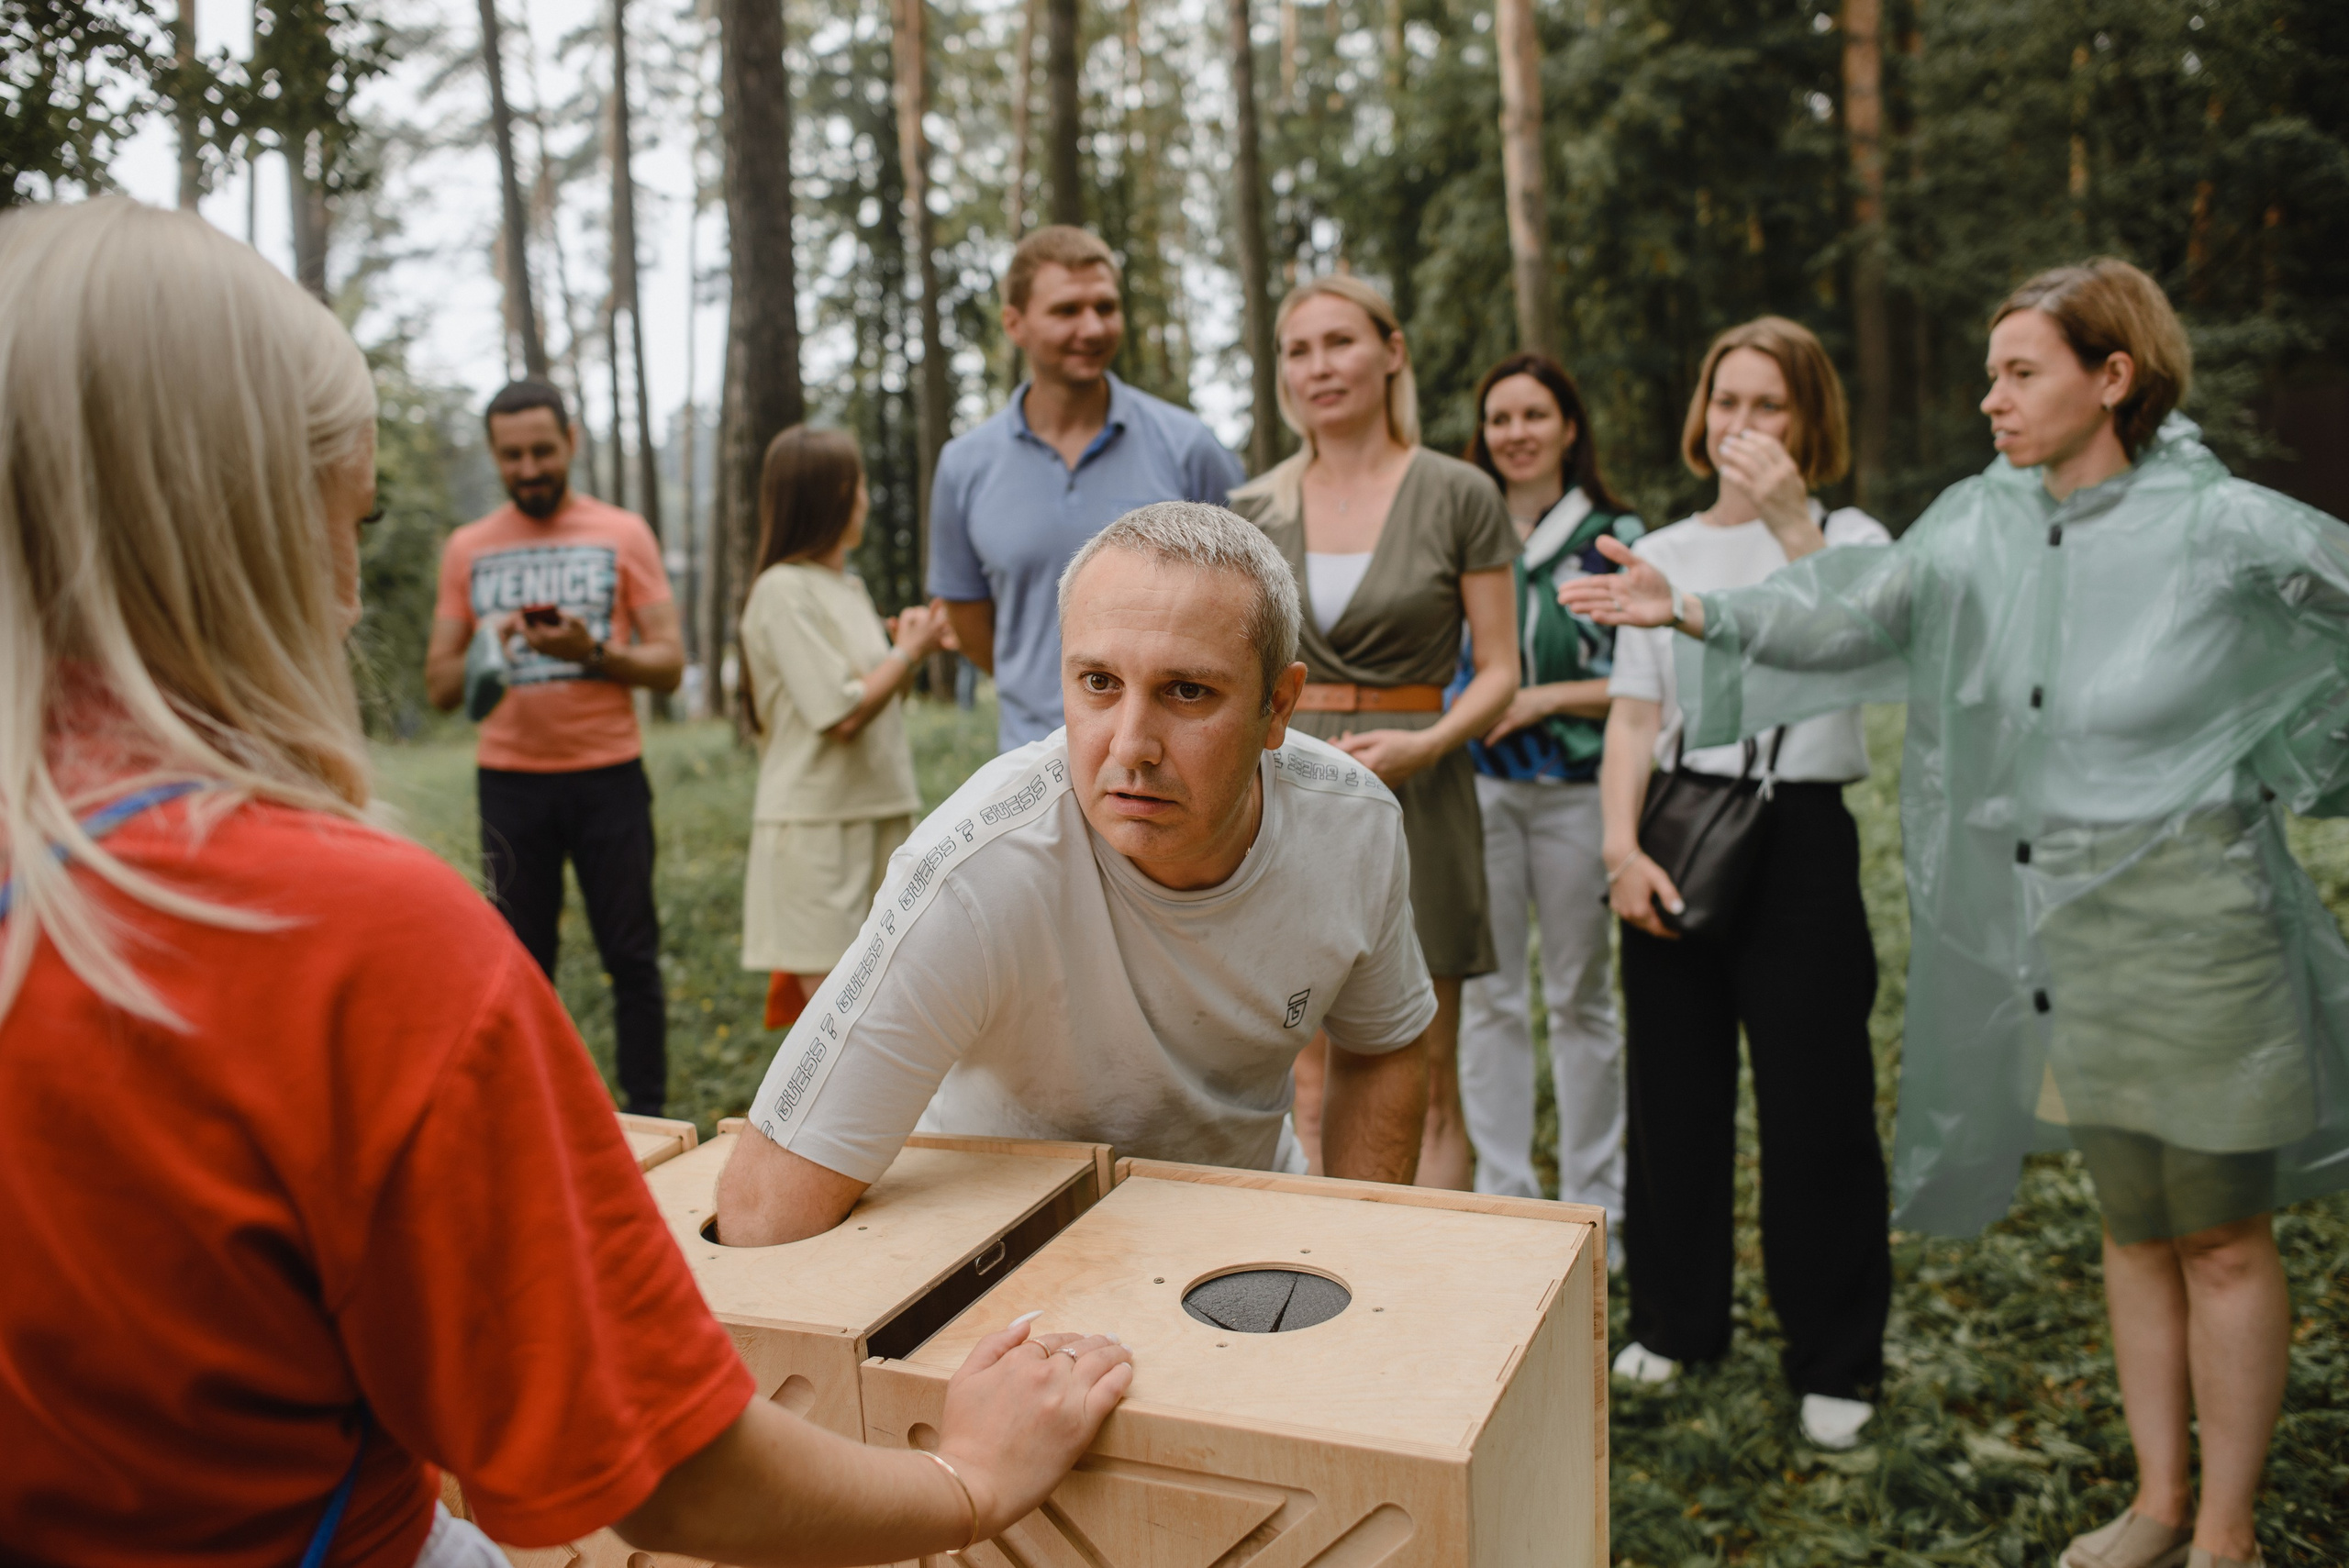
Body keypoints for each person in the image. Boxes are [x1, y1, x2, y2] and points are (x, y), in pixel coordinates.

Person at [0, 197, 1130, 1568]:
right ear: (246, 527)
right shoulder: (342, 941)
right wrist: (964, 1480)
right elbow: (674, 1472)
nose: (351, 591)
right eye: (348, 519)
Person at [1572, 259, 2349, 1568]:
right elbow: (1857, 616)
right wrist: (1692, 603)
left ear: (2114, 378)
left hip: (2201, 921)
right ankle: (2159, 1502)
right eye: (1991, 372)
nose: (1990, 397)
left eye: (2019, 371)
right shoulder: (1983, 523)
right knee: (2131, 1218)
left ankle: (2227, 1534)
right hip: (2070, 929)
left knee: (2216, 1231)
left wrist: (2279, 738)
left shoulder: (2220, 526)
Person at [716, 503, 1440, 1247]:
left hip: (1240, 1248)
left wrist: (1352, 1247)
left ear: (1278, 704)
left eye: (1187, 691)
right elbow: (764, 1209)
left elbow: (1382, 1046)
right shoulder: (972, 874)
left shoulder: (1353, 826)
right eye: (1098, 682)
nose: (1131, 746)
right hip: (1002, 1260)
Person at [1579, 317, 1893, 1452]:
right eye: (1727, 402)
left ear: (1809, 421)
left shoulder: (1844, 534)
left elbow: (1864, 629)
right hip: (1676, 819)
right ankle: (1675, 1317)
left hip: (1800, 832)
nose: (1741, 426)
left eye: (1768, 405)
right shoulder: (1659, 544)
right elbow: (1633, 714)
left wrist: (1791, 517)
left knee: (1817, 1103)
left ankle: (1836, 1356)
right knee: (1672, 1092)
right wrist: (1620, 847)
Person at [1228, 275, 1520, 1192]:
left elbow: (1504, 667)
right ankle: (1322, 1279)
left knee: (1423, 1072)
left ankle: (1428, 1305)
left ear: (1391, 351)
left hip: (1420, 791)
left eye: (1339, 342)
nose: (1319, 366)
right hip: (1289, 787)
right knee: (1304, 1068)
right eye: (1297, 349)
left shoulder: (1460, 491)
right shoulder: (1253, 508)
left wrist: (1428, 744)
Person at [423, 378, 680, 1116]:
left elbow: (668, 661)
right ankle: (527, 1118)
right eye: (512, 455)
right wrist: (488, 645)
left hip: (610, 779)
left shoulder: (623, 533)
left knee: (631, 959)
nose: (529, 467)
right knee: (515, 967)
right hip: (510, 786)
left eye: (542, 450)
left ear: (570, 442)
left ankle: (649, 1115)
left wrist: (593, 652)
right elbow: (440, 686)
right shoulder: (467, 548)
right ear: (494, 455)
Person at [928, 226, 1247, 752]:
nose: (1093, 327)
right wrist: (1042, 682)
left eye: (1106, 307)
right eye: (1067, 311)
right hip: (1030, 764)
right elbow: (969, 618)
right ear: (1015, 324)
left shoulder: (1189, 447)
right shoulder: (964, 465)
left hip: (1172, 759)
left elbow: (1247, 598)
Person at [1450, 352, 1642, 1221]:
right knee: (1490, 999)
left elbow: (1645, 674)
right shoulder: (1463, 531)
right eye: (1500, 419)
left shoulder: (1611, 533)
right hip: (1477, 790)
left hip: (1575, 789)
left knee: (1579, 998)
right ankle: (1507, 1198)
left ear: (1569, 426)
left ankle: (1598, 1201)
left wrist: (1544, 698)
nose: (1516, 434)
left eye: (1534, 416)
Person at [736, 427, 951, 1031]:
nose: (865, 500)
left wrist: (910, 645)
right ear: (832, 494)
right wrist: (905, 655)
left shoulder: (848, 587)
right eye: (857, 486)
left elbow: (874, 694)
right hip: (816, 831)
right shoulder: (781, 589)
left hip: (881, 810)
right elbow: (841, 714)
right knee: (838, 1026)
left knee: (889, 1009)